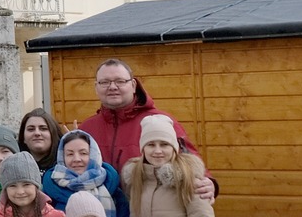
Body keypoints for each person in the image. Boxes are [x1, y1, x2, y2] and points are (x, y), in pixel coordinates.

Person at [77, 58, 217, 202]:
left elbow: (189, 160)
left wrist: (208, 182)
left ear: (133, 85)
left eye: (120, 81)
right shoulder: (86, 129)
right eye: (104, 82)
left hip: (149, 216)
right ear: (96, 87)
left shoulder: (161, 121)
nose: (112, 87)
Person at [44, 129, 131, 217]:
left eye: (83, 153)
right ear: (62, 157)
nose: (76, 159)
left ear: (94, 155)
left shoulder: (112, 189)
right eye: (70, 154)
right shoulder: (50, 192)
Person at [19, 108, 59, 173]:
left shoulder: (67, 166)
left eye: (43, 129)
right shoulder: (16, 169)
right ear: (23, 137)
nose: (37, 133)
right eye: (31, 129)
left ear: (53, 135)